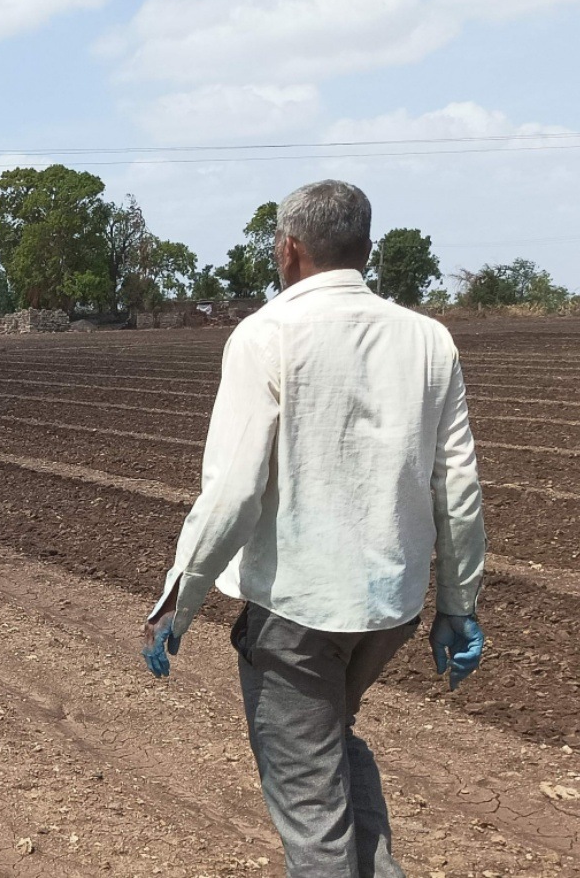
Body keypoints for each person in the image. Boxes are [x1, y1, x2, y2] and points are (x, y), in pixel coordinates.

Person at [140, 180, 487, 878]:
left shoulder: (266, 335)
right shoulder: (429, 340)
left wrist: (179, 602)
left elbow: (234, 489)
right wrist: (458, 606)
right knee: (332, 744)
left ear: (289, 248)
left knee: (309, 807)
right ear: (367, 249)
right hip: (389, 607)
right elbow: (459, 487)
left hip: (294, 612)